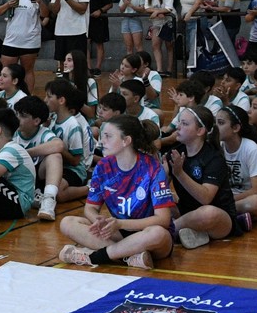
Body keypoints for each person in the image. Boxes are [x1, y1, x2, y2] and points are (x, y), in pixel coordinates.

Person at [56, 115, 174, 270]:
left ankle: (94, 256)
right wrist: (98, 221)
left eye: (108, 136)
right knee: (67, 223)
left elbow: (163, 219)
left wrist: (121, 223)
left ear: (126, 141)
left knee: (158, 233)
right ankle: (129, 257)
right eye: (103, 136)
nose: (101, 141)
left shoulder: (152, 168)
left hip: (147, 235)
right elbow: (90, 208)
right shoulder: (103, 166)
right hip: (118, 232)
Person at [167, 105, 243, 248]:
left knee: (207, 213)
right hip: (185, 212)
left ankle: (168, 231)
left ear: (200, 131)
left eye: (184, 123)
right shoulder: (175, 152)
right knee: (161, 203)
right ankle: (194, 234)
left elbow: (205, 198)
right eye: (179, 122)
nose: (177, 127)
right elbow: (160, 187)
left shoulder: (214, 158)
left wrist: (179, 173)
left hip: (219, 220)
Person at [47, 0, 91, 89]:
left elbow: (82, 9)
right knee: (62, 63)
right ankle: (63, 88)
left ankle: (80, 89)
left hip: (77, 30)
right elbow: (54, 10)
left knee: (77, 64)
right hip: (61, 29)